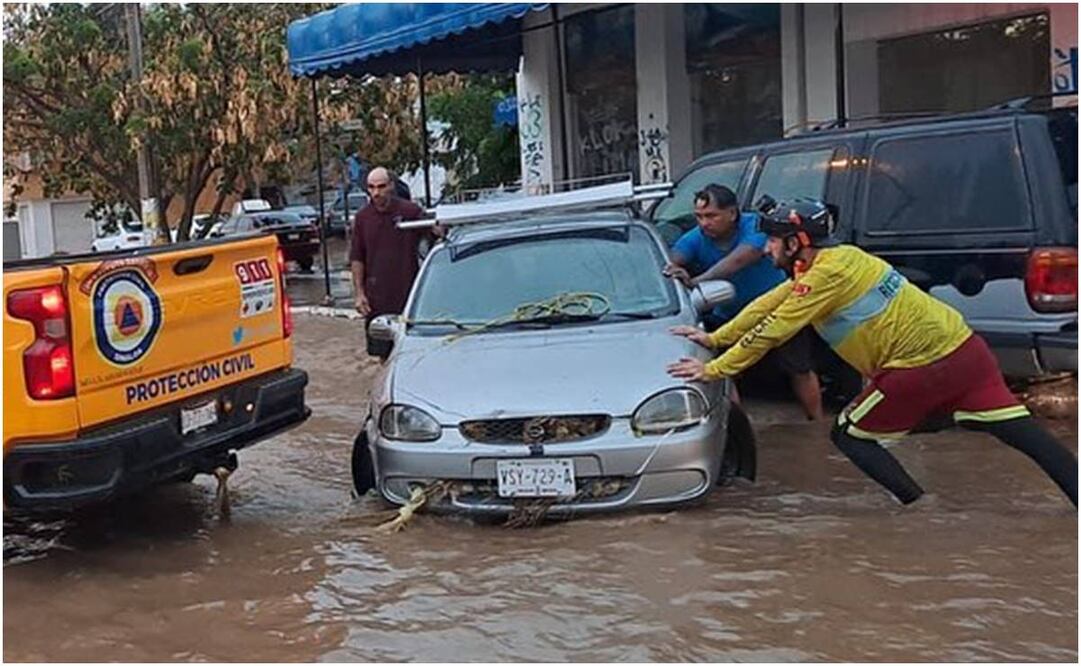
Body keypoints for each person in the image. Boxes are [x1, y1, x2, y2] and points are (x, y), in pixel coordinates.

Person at [667, 198, 1077, 507]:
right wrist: (715, 339)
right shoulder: (840, 259)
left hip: (920, 368)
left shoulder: (825, 275)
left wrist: (715, 370)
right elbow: (770, 303)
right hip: (967, 351)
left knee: (849, 434)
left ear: (797, 242)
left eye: (773, 240)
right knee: (1028, 438)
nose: (767, 248)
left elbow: (774, 329)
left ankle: (919, 509)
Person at [664, 184, 823, 420]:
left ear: (732, 213)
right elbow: (671, 262)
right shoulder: (695, 239)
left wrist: (696, 281)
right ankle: (738, 428)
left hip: (780, 311)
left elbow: (741, 259)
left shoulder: (758, 227)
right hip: (728, 317)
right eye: (699, 217)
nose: (704, 223)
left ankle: (817, 424)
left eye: (711, 216)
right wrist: (673, 271)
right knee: (722, 373)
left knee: (799, 368)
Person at [350, 166, 429, 357]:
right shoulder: (362, 218)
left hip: (409, 298)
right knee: (383, 354)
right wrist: (359, 293)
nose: (376, 192)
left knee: (413, 351)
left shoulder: (410, 212)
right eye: (371, 187)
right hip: (377, 301)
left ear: (391, 186)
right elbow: (357, 258)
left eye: (381, 186)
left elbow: (434, 237)